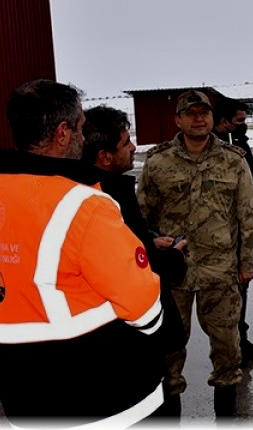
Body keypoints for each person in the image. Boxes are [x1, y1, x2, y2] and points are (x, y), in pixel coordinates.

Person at [0, 79, 165, 425]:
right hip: (110, 401)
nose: (83, 137)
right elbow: (143, 306)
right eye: (80, 127)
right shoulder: (83, 204)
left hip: (24, 399)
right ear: (63, 133)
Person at [138, 90, 253, 418]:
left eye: (203, 112)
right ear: (177, 119)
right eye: (190, 113)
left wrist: (247, 263)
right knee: (169, 352)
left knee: (227, 349)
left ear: (211, 117)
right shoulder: (158, 161)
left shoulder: (233, 160)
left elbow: (248, 213)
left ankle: (227, 419)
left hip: (219, 271)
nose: (198, 118)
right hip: (173, 271)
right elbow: (142, 218)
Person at [81, 105, 189, 415]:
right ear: (105, 156)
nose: (133, 148)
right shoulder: (101, 198)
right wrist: (171, 258)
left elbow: (124, 245)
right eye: (126, 142)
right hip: (133, 337)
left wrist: (149, 241)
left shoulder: (108, 188)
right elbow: (128, 268)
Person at [211, 95, 253, 366]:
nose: (243, 125)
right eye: (239, 121)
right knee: (230, 294)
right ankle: (233, 347)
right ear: (224, 121)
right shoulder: (216, 150)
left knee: (240, 291)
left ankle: (241, 340)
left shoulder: (238, 142)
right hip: (225, 236)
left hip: (245, 228)